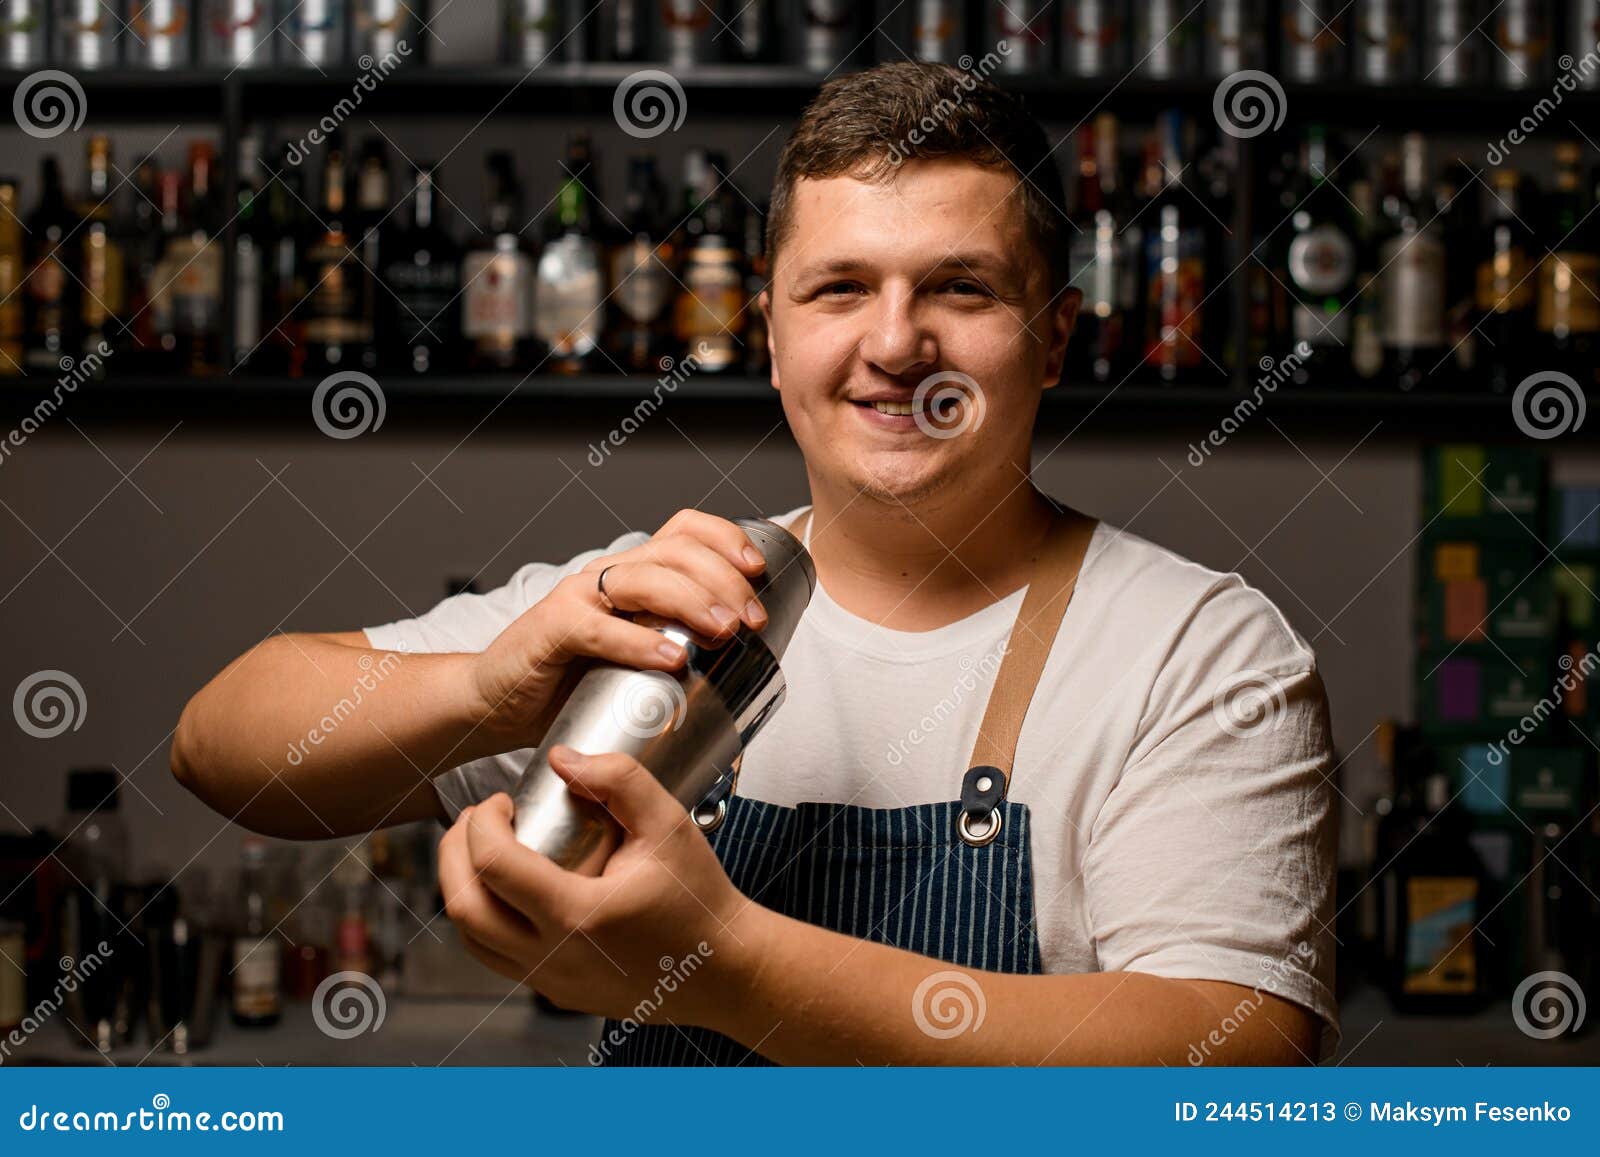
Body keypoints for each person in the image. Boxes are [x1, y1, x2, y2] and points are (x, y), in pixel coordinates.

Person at [172, 61, 1337, 1066]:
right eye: (840, 289)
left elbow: (1231, 1054)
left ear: (1057, 339)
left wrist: (725, 964)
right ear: (773, 339)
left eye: (960, 288)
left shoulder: (1198, 650)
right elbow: (219, 743)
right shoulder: (649, 606)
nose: (892, 344)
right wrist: (490, 689)